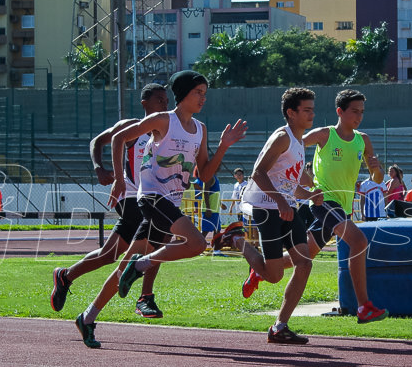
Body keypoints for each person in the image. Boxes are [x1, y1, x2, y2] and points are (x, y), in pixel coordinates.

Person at [82, 71, 247, 349]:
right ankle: (141, 266)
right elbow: (119, 137)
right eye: (198, 93)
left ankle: (87, 317)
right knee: (196, 243)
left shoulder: (201, 129)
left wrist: (223, 147)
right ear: (182, 94)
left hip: (171, 202)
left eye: (205, 93)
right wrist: (121, 180)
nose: (203, 98)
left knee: (124, 267)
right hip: (152, 197)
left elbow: (205, 175)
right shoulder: (163, 120)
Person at [245, 89, 388, 325]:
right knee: (359, 241)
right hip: (324, 203)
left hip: (343, 207)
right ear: (340, 112)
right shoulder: (324, 134)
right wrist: (307, 183)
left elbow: (378, 178)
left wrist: (376, 167)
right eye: (354, 111)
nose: (359, 117)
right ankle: (364, 306)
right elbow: (293, 148)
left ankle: (259, 271)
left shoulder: (363, 140)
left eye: (362, 112)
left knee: (303, 257)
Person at [49, 84, 170, 317]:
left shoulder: (166, 129)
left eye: (166, 100)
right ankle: (146, 297)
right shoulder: (131, 127)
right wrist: (100, 169)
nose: (165, 104)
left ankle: (65, 276)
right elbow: (97, 141)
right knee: (159, 235)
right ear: (145, 103)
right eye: (160, 100)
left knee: (110, 254)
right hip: (130, 195)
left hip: (152, 195)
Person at [238, 87, 322, 344]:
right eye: (306, 110)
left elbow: (288, 183)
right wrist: (279, 201)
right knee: (274, 276)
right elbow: (258, 173)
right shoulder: (282, 137)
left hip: (286, 208)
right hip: (267, 209)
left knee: (304, 263)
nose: (312, 114)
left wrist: (308, 194)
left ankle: (279, 326)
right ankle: (236, 241)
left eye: (312, 109)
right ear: (291, 113)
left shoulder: (298, 142)